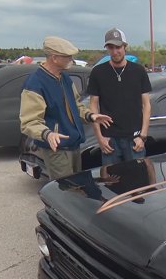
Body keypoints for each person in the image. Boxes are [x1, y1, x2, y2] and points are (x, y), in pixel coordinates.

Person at [19, 36, 112, 179]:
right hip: (57, 149)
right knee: (65, 191)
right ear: (54, 58)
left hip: (74, 146)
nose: (71, 59)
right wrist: (48, 134)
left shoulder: (65, 78)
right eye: (67, 56)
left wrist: (91, 116)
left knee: (77, 187)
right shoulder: (35, 83)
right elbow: (29, 122)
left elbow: (76, 106)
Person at [88, 27, 153, 166]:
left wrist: (143, 135)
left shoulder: (139, 71)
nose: (115, 51)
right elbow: (93, 105)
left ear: (125, 47)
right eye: (111, 47)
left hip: (134, 139)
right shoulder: (98, 72)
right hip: (109, 139)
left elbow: (146, 105)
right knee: (111, 182)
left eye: (118, 47)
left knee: (138, 180)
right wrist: (99, 138)